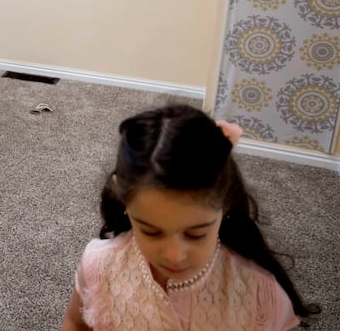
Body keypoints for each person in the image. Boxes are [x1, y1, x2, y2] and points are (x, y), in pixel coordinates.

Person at [62, 104, 318, 330]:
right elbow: (76, 322)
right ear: (123, 200)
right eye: (151, 231)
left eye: (196, 233)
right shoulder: (98, 265)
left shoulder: (260, 294)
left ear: (226, 203)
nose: (174, 255)